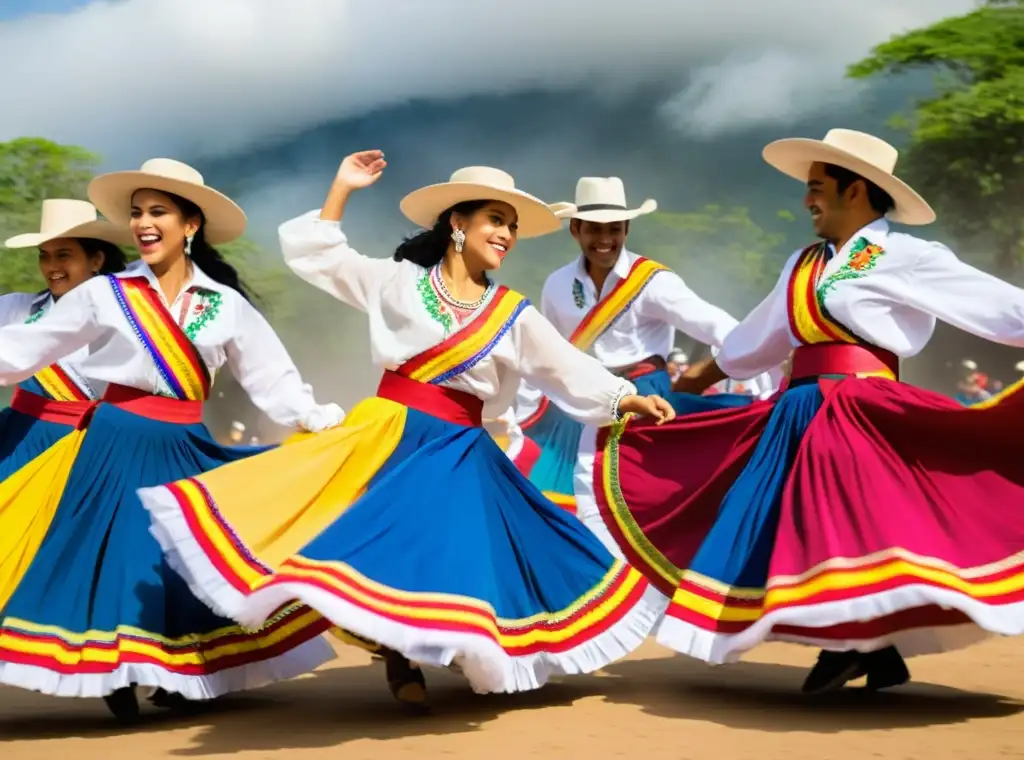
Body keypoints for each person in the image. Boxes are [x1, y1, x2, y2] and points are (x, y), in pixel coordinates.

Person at [141, 151, 674, 711]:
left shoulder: (512, 314)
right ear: (458, 225)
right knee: (382, 543)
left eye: (511, 225)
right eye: (494, 219)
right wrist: (342, 188)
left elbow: (565, 365)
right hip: (391, 432)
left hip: (462, 449)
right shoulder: (397, 282)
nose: (505, 234)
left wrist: (627, 396)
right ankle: (397, 656)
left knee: (468, 552)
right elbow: (322, 256)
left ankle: (451, 649)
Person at [591, 128, 1024, 695]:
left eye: (817, 186)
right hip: (800, 410)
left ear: (857, 191)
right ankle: (870, 646)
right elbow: (753, 343)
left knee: (842, 521)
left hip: (864, 409)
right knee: (807, 523)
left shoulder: (908, 255)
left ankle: (851, 646)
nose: (806, 200)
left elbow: (1004, 309)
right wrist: (687, 384)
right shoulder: (803, 263)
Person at [0, 159, 344, 723]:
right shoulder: (106, 293)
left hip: (185, 441)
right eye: (136, 213)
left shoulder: (224, 306)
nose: (143, 223)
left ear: (190, 225)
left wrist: (320, 420)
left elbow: (273, 381)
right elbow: (24, 350)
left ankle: (179, 670)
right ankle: (118, 673)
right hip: (112, 442)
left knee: (183, 562)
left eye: (157, 211)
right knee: (118, 557)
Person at [510, 176, 768, 548]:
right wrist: (528, 406)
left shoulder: (651, 281)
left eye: (614, 229)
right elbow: (550, 351)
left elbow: (717, 326)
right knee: (560, 501)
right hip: (583, 401)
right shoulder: (557, 284)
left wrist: (761, 372)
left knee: (632, 501)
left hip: (644, 397)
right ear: (576, 231)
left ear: (626, 229)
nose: (605, 239)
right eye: (594, 229)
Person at [0, 199, 129, 611]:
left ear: (96, 259)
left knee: (84, 554)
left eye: (64, 254)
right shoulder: (18, 308)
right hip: (23, 440)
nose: (51, 265)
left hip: (93, 449)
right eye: (45, 255)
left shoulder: (129, 316)